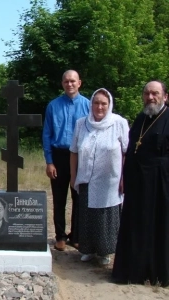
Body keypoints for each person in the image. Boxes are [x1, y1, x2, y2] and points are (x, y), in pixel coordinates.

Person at [112, 80, 169, 286]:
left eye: (155, 93)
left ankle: (156, 271)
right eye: (146, 94)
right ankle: (133, 271)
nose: (150, 97)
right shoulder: (140, 118)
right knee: (135, 226)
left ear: (165, 96)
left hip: (160, 185)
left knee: (158, 226)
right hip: (137, 183)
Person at [70, 88, 129, 265]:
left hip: (110, 180)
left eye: (103, 103)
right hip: (86, 177)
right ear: (91, 104)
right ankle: (87, 249)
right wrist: (73, 176)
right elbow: (73, 151)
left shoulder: (119, 123)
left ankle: (105, 252)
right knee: (87, 215)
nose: (99, 107)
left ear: (109, 105)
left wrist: (123, 178)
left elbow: (126, 152)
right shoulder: (82, 123)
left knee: (105, 217)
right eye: (96, 103)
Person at [42, 70, 89, 251]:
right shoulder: (53, 106)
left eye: (73, 81)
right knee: (59, 198)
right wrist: (49, 161)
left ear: (79, 83)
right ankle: (60, 236)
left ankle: (76, 236)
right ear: (62, 84)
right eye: (66, 81)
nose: (70, 84)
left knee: (79, 198)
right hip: (59, 156)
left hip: (80, 157)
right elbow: (47, 134)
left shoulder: (88, 105)